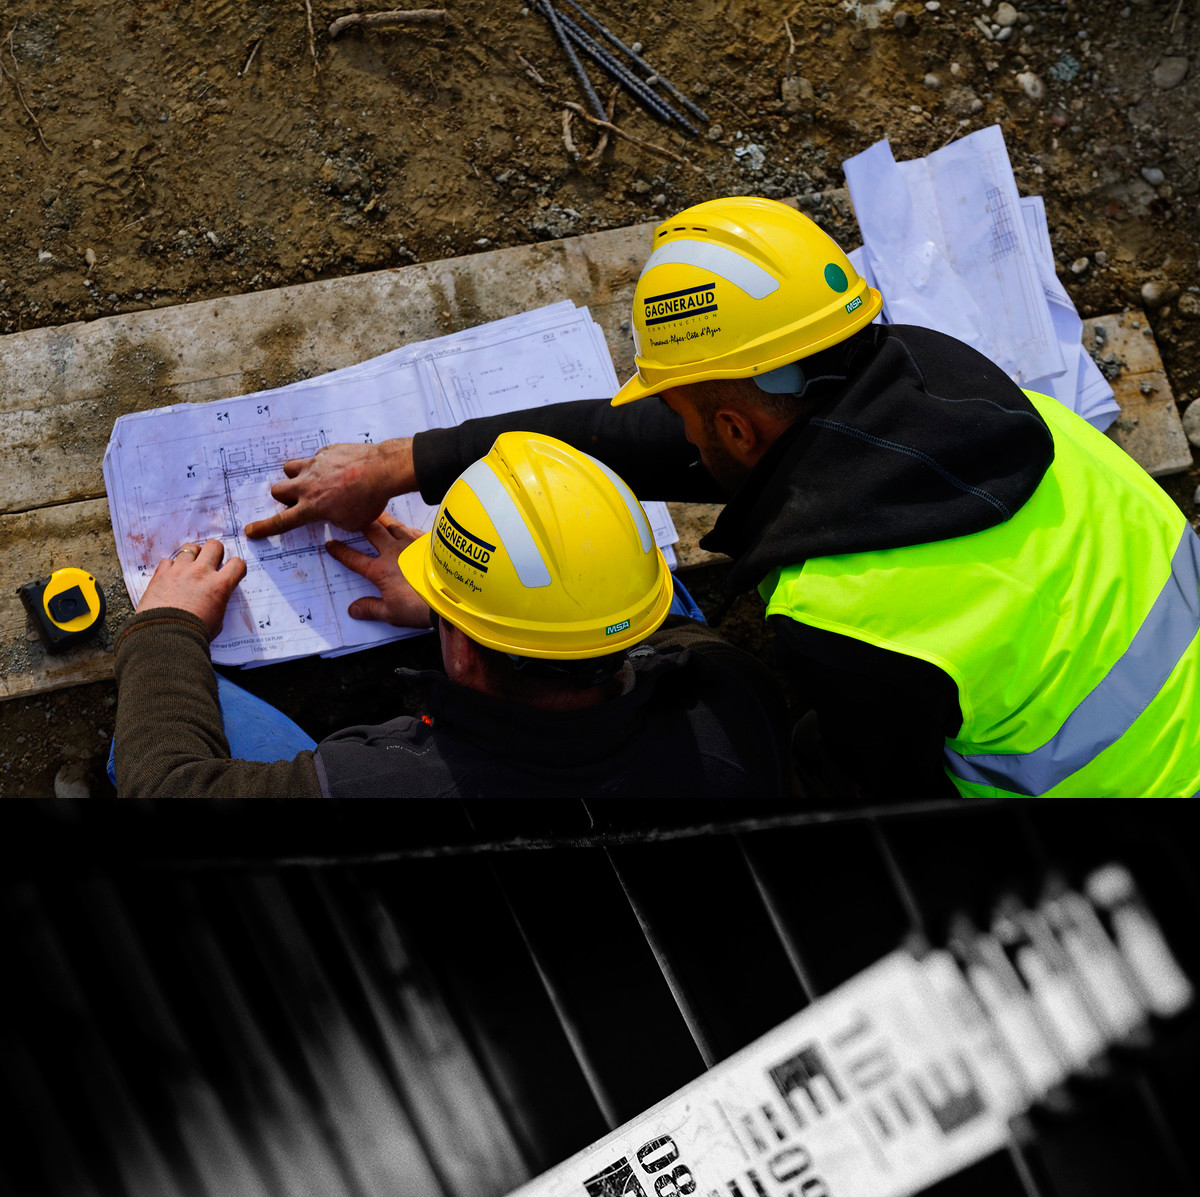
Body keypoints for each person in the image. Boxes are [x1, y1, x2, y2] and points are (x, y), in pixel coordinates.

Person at [248, 198, 1200, 801]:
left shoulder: (855, 618)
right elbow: (663, 443)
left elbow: (874, 784)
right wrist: (406, 461)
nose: (680, 441)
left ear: (738, 428)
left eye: (688, 417)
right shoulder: (984, 404)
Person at [111, 432, 787, 799]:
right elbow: (666, 628)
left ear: (459, 651)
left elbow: (165, 785)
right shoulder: (731, 700)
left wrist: (166, 628)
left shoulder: (386, 783)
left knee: (146, 729)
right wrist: (483, 607)